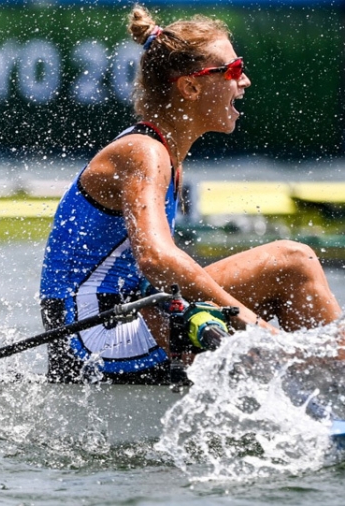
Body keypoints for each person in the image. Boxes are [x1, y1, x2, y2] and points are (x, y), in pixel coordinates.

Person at [39, 5, 341, 383]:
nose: (244, 81)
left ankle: (322, 384)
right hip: (93, 338)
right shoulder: (143, 152)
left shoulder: (165, 153)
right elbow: (157, 258)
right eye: (232, 71)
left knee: (289, 266)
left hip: (129, 318)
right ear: (191, 86)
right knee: (292, 264)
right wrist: (252, 324)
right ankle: (328, 386)